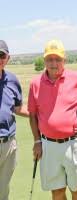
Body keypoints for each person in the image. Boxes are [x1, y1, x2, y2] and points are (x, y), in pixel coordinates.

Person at [28, 40, 77, 200]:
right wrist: (37, 141)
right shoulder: (35, 83)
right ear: (44, 61)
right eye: (50, 59)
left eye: (58, 59)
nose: (53, 63)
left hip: (73, 143)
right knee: (57, 192)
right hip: (48, 145)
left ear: (64, 60)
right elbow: (32, 114)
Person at [0, 40, 29, 200]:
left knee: (3, 190)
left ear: (7, 58)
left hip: (8, 145)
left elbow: (18, 108)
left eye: (1, 55)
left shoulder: (12, 80)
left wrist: (40, 114)